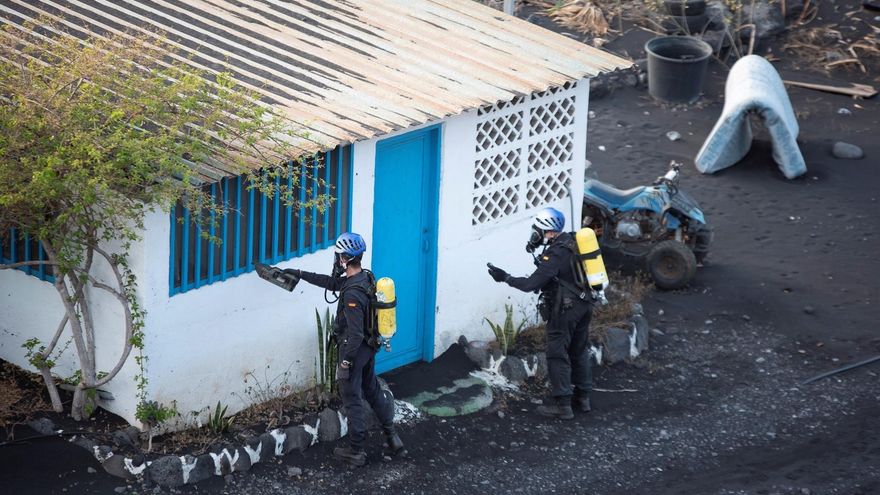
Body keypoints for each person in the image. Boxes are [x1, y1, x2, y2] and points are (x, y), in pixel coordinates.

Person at [291, 232, 405, 466]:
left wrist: (345, 363)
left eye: (339, 256)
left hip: (354, 351)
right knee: (372, 390)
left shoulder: (353, 293)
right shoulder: (364, 278)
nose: (337, 260)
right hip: (368, 349)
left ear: (345, 258)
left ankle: (357, 450)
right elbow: (333, 283)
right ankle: (393, 438)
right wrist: (301, 275)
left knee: (352, 398)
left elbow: (354, 334)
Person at [487, 208, 594, 419]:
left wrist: (505, 277)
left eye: (538, 229)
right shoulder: (573, 242)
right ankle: (583, 398)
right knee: (579, 350)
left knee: (557, 353)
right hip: (585, 304)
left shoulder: (555, 253)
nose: (535, 233)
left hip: (565, 310)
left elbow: (530, 284)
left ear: (549, 231)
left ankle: (563, 406)